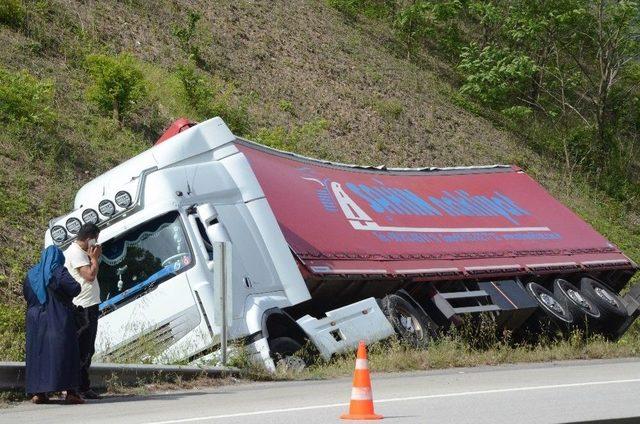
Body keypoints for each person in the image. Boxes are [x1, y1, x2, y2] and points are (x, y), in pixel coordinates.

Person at [24, 245, 84, 404]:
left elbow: (27, 294)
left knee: (38, 355)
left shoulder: (31, 274)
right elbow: (75, 288)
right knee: (65, 354)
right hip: (57, 318)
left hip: (35, 321)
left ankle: (39, 393)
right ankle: (71, 392)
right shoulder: (58, 271)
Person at [64, 223, 102, 400]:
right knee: (84, 348)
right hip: (84, 307)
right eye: (95, 239)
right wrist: (95, 258)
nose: (96, 243)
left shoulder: (81, 252)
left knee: (87, 347)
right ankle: (79, 387)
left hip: (89, 305)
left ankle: (82, 386)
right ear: (89, 238)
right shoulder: (76, 253)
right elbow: (89, 276)